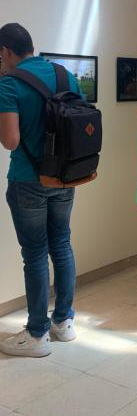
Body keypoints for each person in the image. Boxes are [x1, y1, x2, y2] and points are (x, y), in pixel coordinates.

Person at [0, 23, 81, 357]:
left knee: (34, 253)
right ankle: (63, 322)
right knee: (61, 244)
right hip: (65, 177)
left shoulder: (8, 84)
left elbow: (10, 140)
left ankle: (36, 335)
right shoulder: (65, 75)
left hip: (28, 181)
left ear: (5, 52)